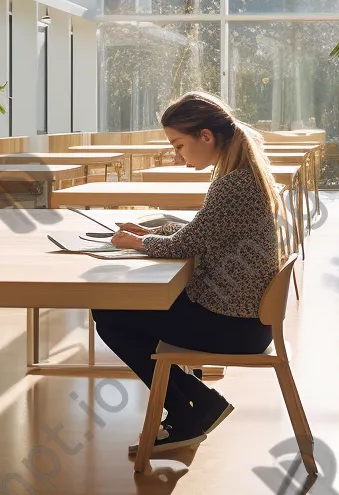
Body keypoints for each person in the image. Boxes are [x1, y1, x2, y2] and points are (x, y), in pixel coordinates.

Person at [93, 92, 281, 455]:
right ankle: (196, 404)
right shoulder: (238, 174)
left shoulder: (234, 184)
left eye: (179, 145)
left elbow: (186, 243)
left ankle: (188, 409)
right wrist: (148, 233)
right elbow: (201, 232)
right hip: (243, 319)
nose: (177, 156)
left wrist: (137, 242)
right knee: (116, 312)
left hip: (235, 326)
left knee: (109, 313)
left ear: (206, 137)